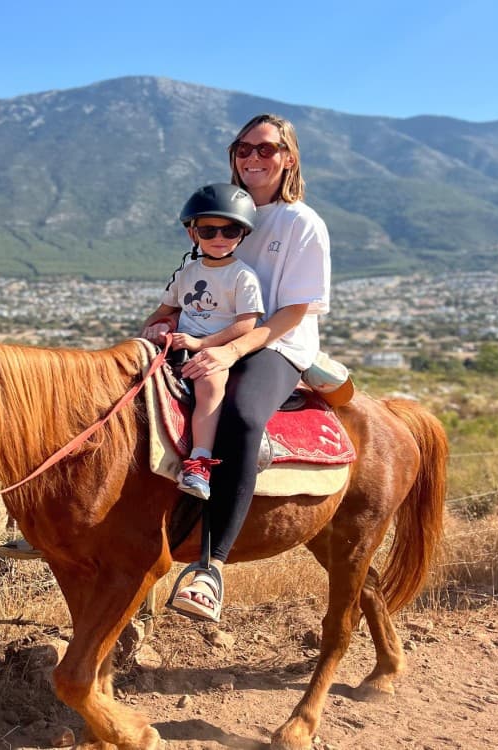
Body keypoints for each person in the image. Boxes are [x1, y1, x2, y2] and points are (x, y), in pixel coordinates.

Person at [163, 113, 332, 622]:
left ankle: (210, 568)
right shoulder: (224, 212)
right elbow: (195, 284)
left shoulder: (302, 223)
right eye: (243, 148)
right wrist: (163, 321)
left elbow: (294, 312)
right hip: (211, 335)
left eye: (266, 149)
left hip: (276, 344)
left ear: (289, 158)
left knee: (241, 416)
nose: (253, 157)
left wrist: (232, 352)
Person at [140, 183, 264, 500]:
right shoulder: (186, 271)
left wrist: (202, 344)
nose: (219, 238)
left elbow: (246, 324)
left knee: (209, 382)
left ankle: (199, 462)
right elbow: (164, 310)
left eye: (229, 230)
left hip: (218, 349)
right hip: (180, 343)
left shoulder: (243, 276)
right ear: (192, 233)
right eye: (208, 231)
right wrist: (154, 328)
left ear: (242, 234)